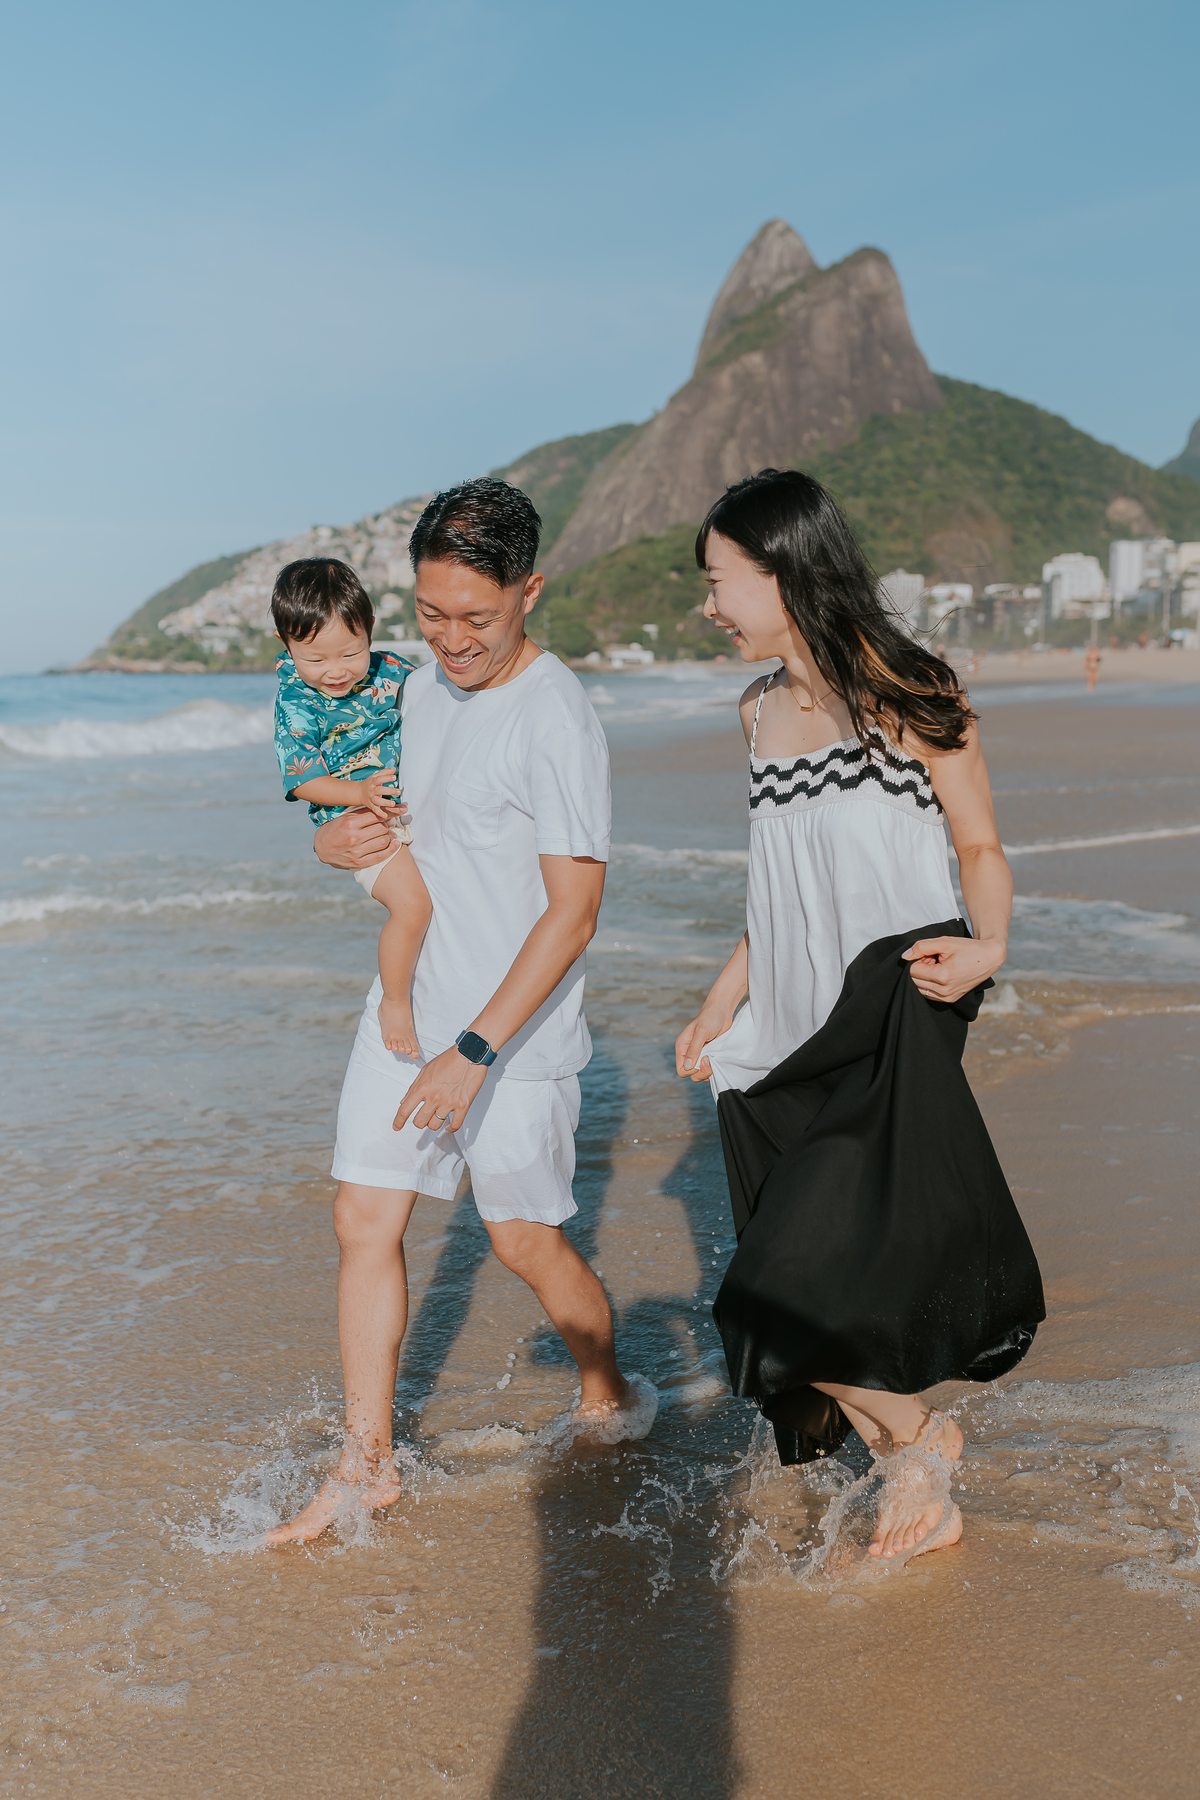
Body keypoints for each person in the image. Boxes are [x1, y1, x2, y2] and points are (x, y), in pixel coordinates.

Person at [268, 479, 653, 1546]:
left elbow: (574, 914)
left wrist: (476, 1049)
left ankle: (609, 1391)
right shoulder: (416, 686)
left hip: (510, 1038)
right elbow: (377, 808)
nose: (451, 639)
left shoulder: (556, 720)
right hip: (408, 1016)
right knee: (363, 1220)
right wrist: (331, 841)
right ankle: (366, 1464)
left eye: (475, 617)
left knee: (523, 1241)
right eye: (431, 614)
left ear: (530, 590)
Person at [674, 469, 1044, 1564]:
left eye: (719, 581)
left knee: (769, 1293)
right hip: (784, 1031)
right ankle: (915, 1462)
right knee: (804, 1295)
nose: (708, 605)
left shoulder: (909, 691)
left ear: (784, 573)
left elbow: (980, 844)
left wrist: (990, 946)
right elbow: (781, 891)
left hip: (891, 1009)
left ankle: (919, 1443)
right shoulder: (756, 714)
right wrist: (722, 999)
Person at [272, 558, 432, 1056]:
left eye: (350, 652)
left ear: (370, 631)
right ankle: (395, 1003)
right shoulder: (296, 702)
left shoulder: (393, 671)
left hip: (402, 802)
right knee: (413, 907)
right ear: (286, 645)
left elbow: (437, 704)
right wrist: (359, 795)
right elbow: (304, 781)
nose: (336, 671)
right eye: (316, 659)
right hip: (358, 823)